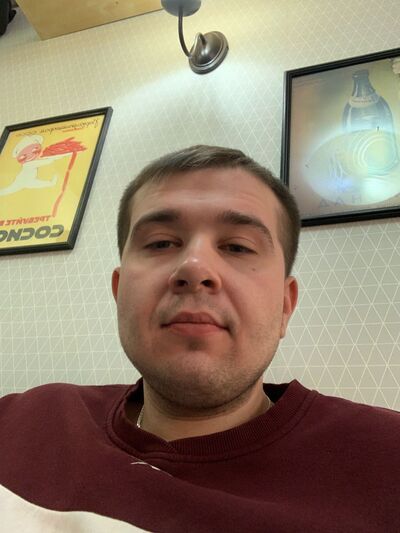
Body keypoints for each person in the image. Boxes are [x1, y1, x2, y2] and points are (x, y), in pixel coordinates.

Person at [0, 145, 399, 532]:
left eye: (238, 246)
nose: (194, 267)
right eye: (161, 243)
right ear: (119, 292)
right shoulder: (20, 423)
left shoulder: (386, 461)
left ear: (284, 305)